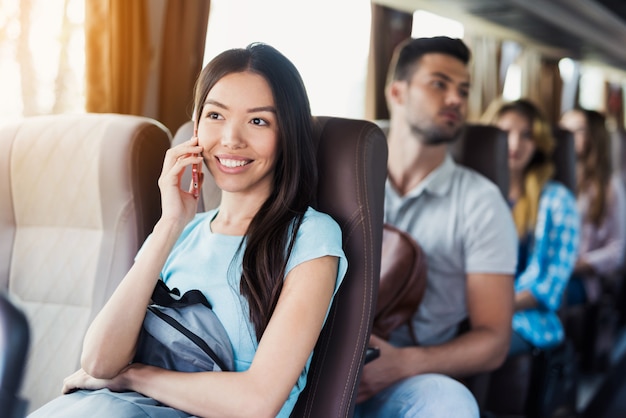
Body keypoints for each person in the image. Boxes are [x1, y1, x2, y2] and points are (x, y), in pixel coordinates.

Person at [29, 43, 347, 418]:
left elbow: (256, 403)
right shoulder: (182, 232)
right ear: (196, 127)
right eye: (215, 115)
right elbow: (99, 362)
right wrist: (169, 224)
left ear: (287, 135)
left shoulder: (311, 236)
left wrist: (133, 376)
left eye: (258, 121)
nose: (231, 138)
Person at [355, 36, 518, 418]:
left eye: (463, 90)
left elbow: (494, 341)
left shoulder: (481, 202)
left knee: (452, 404)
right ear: (397, 92)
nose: (456, 99)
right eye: (439, 84)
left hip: (406, 379)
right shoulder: (344, 169)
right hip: (312, 356)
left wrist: (403, 364)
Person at [488, 99, 580, 356]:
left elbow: (550, 286)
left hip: (524, 319)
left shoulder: (557, 200)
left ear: (538, 143)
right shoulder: (473, 194)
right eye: (505, 133)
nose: (515, 144)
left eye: (526, 135)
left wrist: (493, 308)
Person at [560, 108, 626, 305]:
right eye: (564, 130)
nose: (568, 137)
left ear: (593, 137)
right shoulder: (549, 180)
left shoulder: (608, 186)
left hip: (580, 280)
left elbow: (617, 250)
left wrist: (578, 265)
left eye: (578, 130)